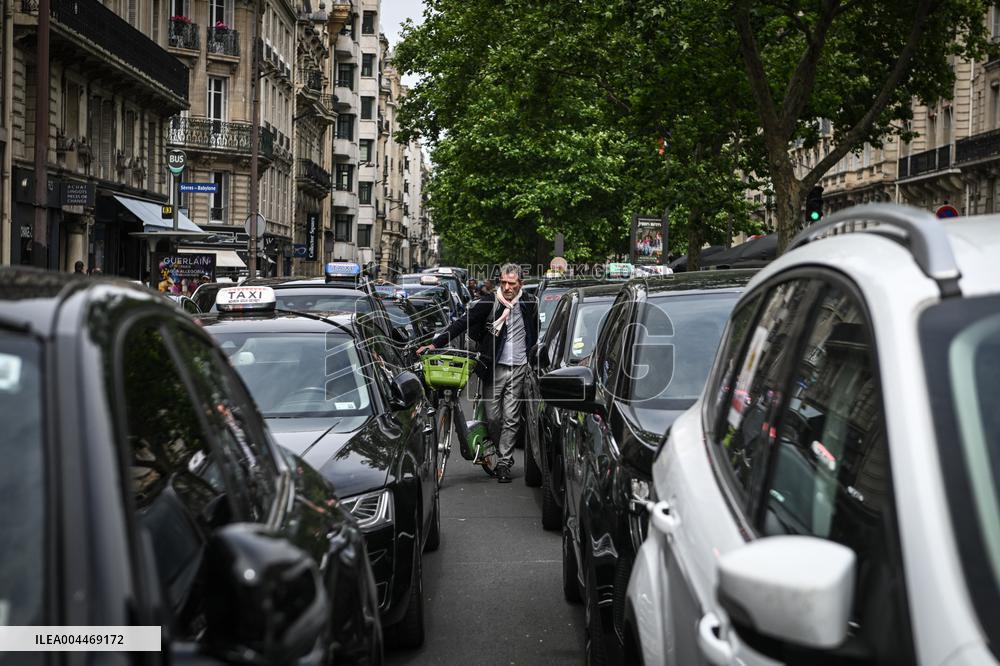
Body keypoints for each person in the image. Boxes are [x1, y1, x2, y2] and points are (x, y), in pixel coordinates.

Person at [417, 263, 538, 483]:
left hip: (519, 367)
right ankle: (497, 447)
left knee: (511, 418)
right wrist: (435, 345)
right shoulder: (490, 303)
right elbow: (462, 323)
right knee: (494, 417)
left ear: (521, 284)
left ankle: (504, 462)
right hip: (492, 368)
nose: (507, 287)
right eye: (503, 283)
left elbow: (534, 332)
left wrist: (533, 357)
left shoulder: (529, 303)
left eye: (512, 283)